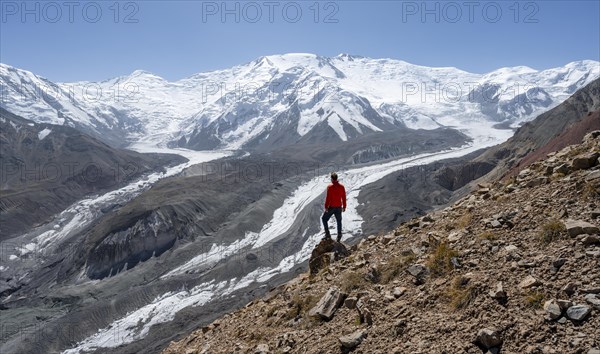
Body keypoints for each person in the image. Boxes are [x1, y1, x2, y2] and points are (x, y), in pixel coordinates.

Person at [322, 172, 346, 242]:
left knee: (324, 219)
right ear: (337, 178)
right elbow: (343, 197)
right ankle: (339, 235)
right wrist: (344, 206)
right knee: (339, 221)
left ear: (332, 179)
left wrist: (326, 207)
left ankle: (327, 234)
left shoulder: (330, 187)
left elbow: (328, 198)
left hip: (332, 207)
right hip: (339, 207)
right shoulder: (342, 187)